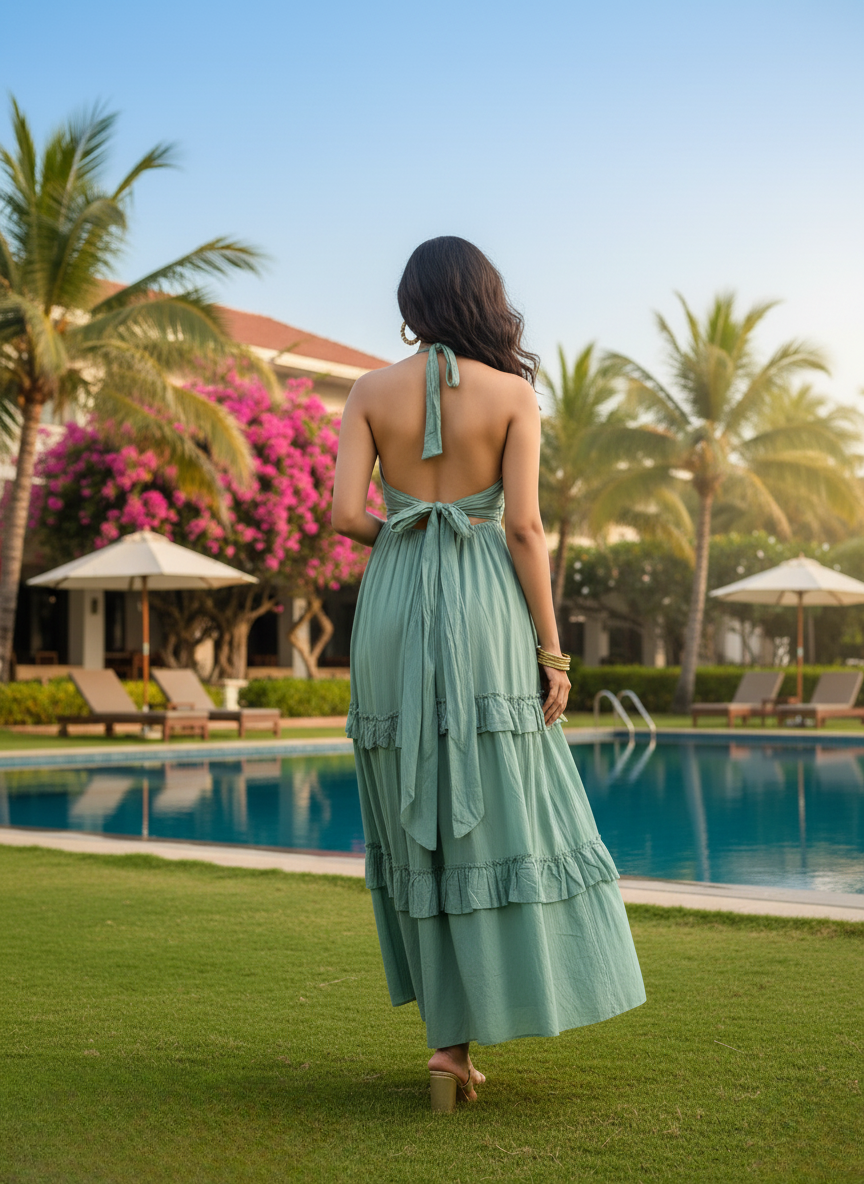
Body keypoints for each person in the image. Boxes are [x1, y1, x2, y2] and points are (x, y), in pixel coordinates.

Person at [332, 236, 645, 1113]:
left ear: (411, 300)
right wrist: (553, 650)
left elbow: (340, 514)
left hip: (391, 605)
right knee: (499, 798)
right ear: (485, 300)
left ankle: (445, 1049)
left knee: (414, 805)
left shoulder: (366, 391)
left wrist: (409, 531)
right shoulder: (513, 395)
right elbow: (526, 531)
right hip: (483, 607)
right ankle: (466, 1037)